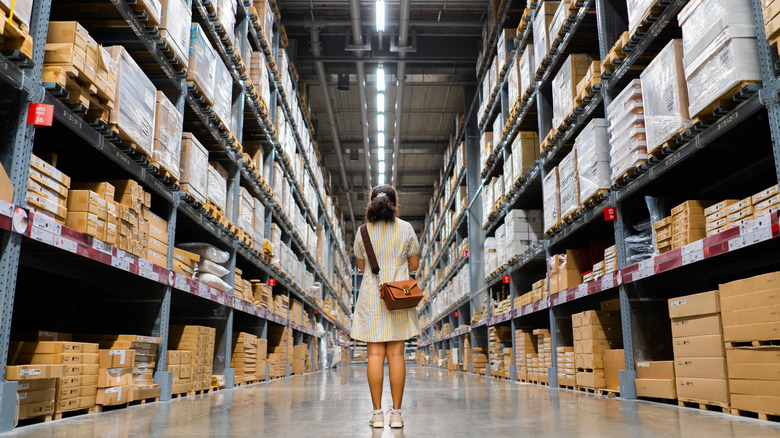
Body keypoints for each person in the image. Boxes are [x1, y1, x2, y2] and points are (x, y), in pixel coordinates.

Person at [352, 185, 420, 429]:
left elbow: (361, 267)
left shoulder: (363, 231)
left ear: (371, 203)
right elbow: (413, 265)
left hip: (372, 297)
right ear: (395, 203)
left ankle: (377, 414)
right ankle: (397, 415)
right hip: (398, 297)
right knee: (396, 356)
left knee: (375, 355)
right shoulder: (406, 228)